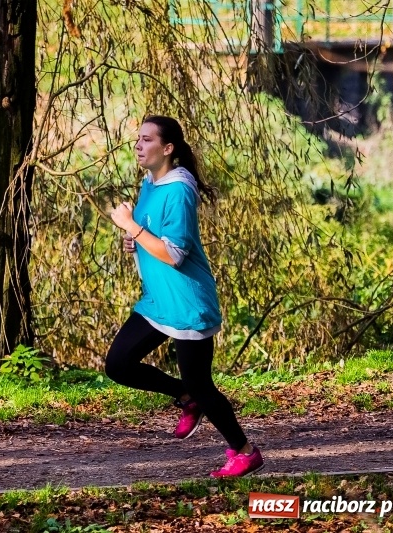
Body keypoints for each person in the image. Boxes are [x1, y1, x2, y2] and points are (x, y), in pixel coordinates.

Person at [107, 115, 264, 478]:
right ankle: (185, 397)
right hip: (158, 301)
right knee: (119, 364)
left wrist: (132, 226)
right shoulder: (150, 183)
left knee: (202, 384)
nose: (138, 146)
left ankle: (245, 452)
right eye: (138, 140)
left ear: (168, 148)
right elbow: (153, 237)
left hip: (188, 303)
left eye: (147, 140)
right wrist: (134, 240)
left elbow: (174, 254)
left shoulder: (177, 190)